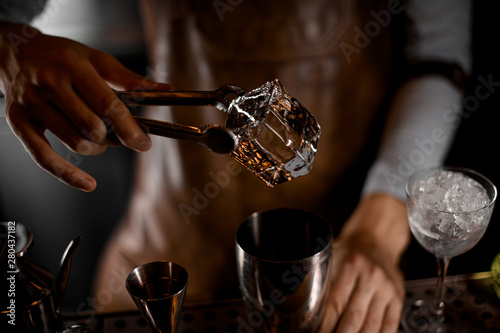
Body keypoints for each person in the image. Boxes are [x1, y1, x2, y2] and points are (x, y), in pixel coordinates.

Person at [0, 0, 471, 331]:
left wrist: (380, 226)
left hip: (345, 250)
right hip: (166, 249)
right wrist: (13, 47)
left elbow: (438, 56)